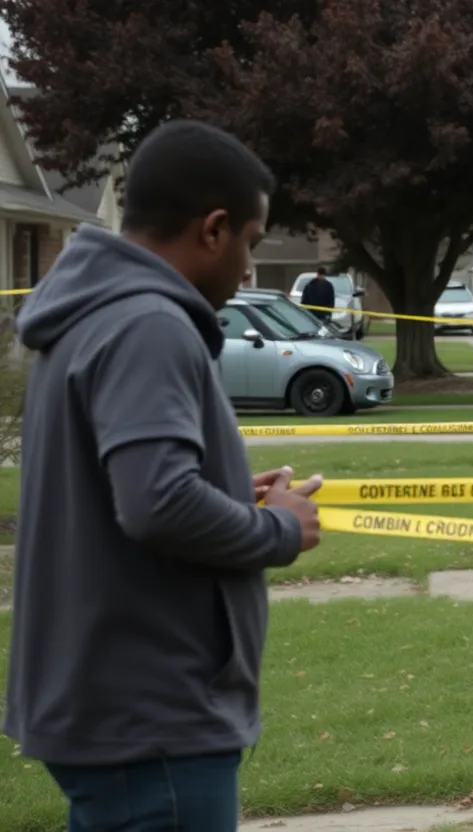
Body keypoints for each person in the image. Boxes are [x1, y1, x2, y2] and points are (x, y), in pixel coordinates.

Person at [5, 120, 324, 831]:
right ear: (213, 229)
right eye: (251, 241)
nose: (249, 270)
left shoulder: (91, 316)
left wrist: (219, 498)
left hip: (114, 708)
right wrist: (277, 528)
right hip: (153, 721)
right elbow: (155, 503)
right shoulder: (150, 323)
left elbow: (125, 493)